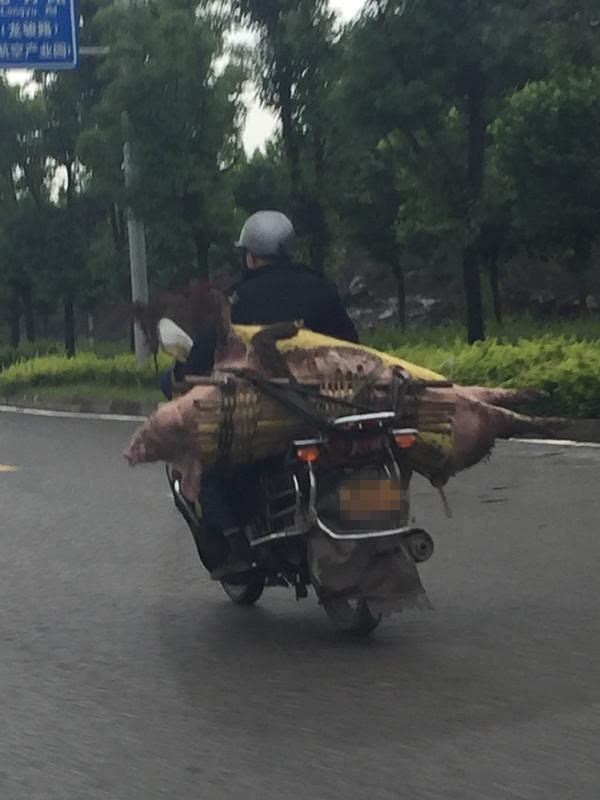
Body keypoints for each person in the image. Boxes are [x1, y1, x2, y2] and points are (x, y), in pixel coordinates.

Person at [164, 210, 359, 576]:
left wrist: (181, 372)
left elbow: (201, 358)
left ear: (251, 255)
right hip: (329, 405)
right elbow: (352, 346)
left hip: (267, 411)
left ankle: (233, 539)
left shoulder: (236, 299)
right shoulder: (322, 288)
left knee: (204, 453)